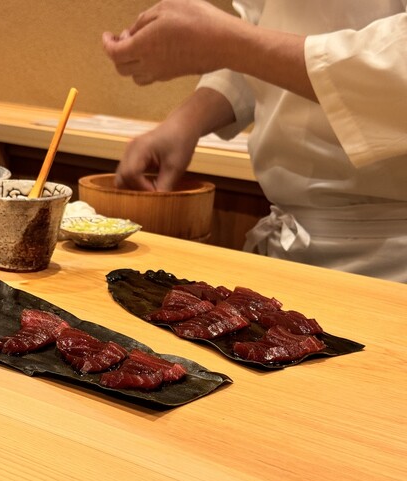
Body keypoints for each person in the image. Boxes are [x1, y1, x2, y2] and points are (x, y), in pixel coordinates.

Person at [102, 0, 407, 282]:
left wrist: (226, 41)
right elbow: (263, 41)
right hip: (286, 247)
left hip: (389, 261)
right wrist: (186, 122)